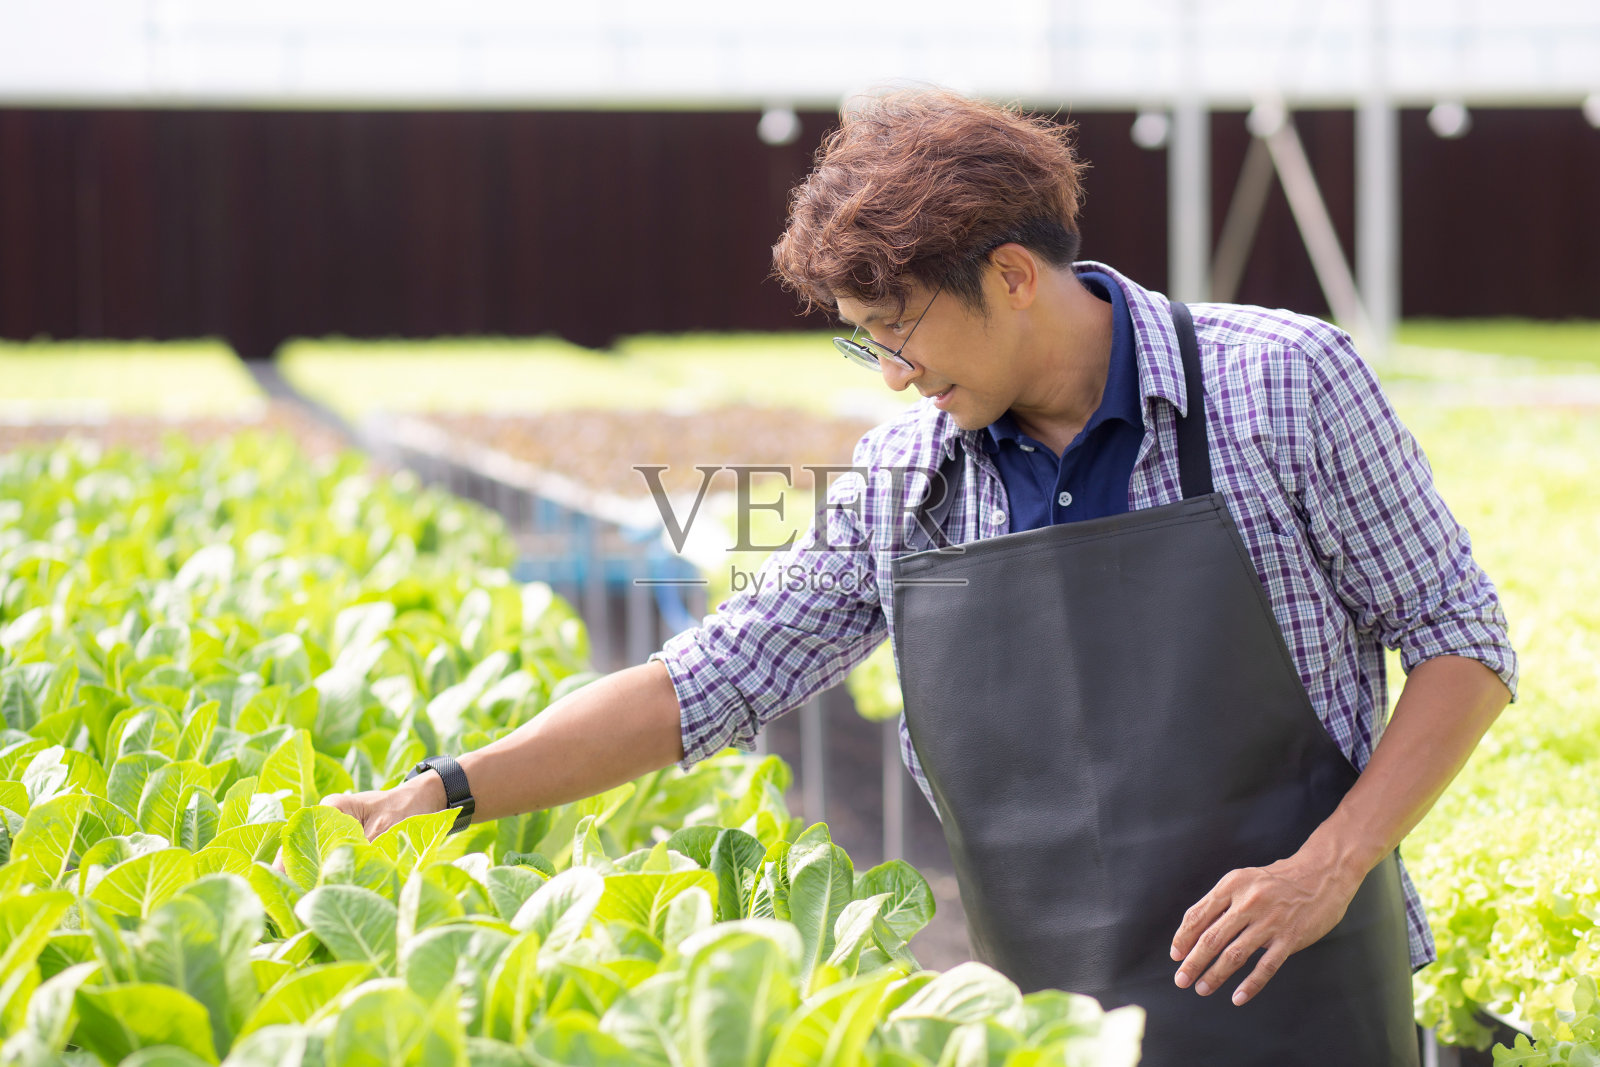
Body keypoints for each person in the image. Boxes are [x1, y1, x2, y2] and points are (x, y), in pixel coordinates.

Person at [326, 90, 1515, 1065]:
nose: (892, 374)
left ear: (1012, 274)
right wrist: (449, 789)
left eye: (899, 331)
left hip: (1300, 991)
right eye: (866, 340)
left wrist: (1330, 863)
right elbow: (714, 676)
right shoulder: (907, 476)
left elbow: (1460, 639)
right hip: (1047, 1024)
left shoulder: (1282, 385)